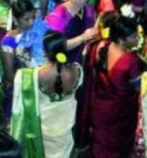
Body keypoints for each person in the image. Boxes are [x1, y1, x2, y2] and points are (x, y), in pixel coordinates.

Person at [76, 15, 145, 158]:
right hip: (120, 114)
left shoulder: (100, 46)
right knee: (116, 147)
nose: (138, 39)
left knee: (100, 140)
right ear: (121, 39)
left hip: (99, 108)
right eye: (133, 36)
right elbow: (140, 90)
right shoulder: (131, 62)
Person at [9, 31, 82, 158]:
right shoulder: (78, 71)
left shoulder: (28, 76)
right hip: (64, 134)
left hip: (40, 132)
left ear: (45, 52)